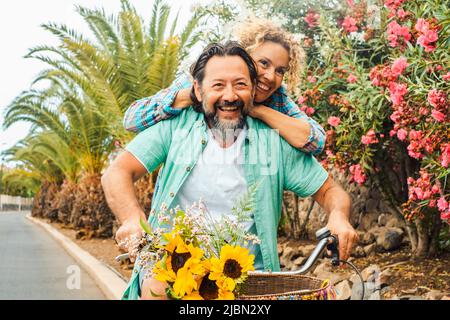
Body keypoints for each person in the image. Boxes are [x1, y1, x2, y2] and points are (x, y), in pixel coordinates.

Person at [102, 41, 358, 300]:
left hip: (249, 286)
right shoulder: (174, 128)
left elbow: (330, 190)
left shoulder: (273, 142)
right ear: (198, 91)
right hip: (172, 279)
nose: (230, 96)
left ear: (253, 89)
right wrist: (132, 218)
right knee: (154, 289)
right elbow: (117, 172)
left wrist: (339, 216)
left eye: (240, 85)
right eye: (218, 85)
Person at [123, 19, 325, 155]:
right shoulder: (204, 80)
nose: (271, 76)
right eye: (264, 63)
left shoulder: (277, 98)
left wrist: (256, 110)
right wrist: (193, 96)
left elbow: (315, 141)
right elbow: (132, 120)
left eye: (280, 70)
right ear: (244, 57)